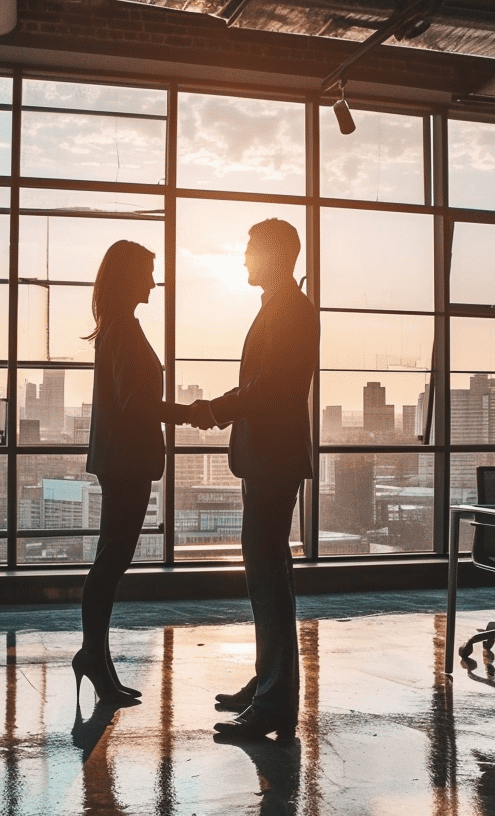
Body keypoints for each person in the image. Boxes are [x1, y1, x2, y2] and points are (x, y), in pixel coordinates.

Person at [190, 218, 319, 740]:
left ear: (275, 254)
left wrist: (213, 409)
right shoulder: (281, 306)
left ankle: (274, 703)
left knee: (268, 581)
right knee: (268, 579)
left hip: (272, 458)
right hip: (266, 458)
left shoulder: (289, 310)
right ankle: (270, 684)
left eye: (249, 251)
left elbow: (269, 391)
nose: (243, 260)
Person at [75, 240, 190, 707]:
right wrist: (187, 413)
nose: (153, 281)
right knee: (111, 562)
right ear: (128, 277)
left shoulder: (118, 327)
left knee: (111, 559)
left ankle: (97, 662)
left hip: (121, 459)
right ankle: (93, 659)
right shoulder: (122, 329)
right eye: (147, 271)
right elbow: (135, 403)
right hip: (126, 461)